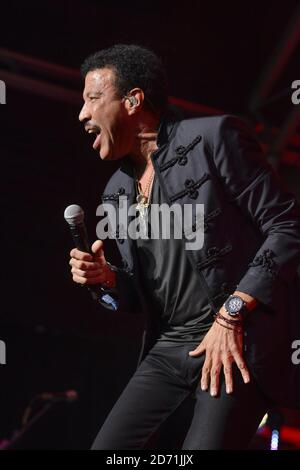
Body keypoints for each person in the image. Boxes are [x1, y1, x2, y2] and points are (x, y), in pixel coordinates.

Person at [69, 44, 300, 449]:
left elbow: (287, 225)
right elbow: (135, 296)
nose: (82, 114)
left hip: (235, 338)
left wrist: (232, 314)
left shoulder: (213, 137)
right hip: (170, 345)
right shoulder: (116, 191)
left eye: (92, 98)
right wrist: (106, 279)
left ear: (133, 100)